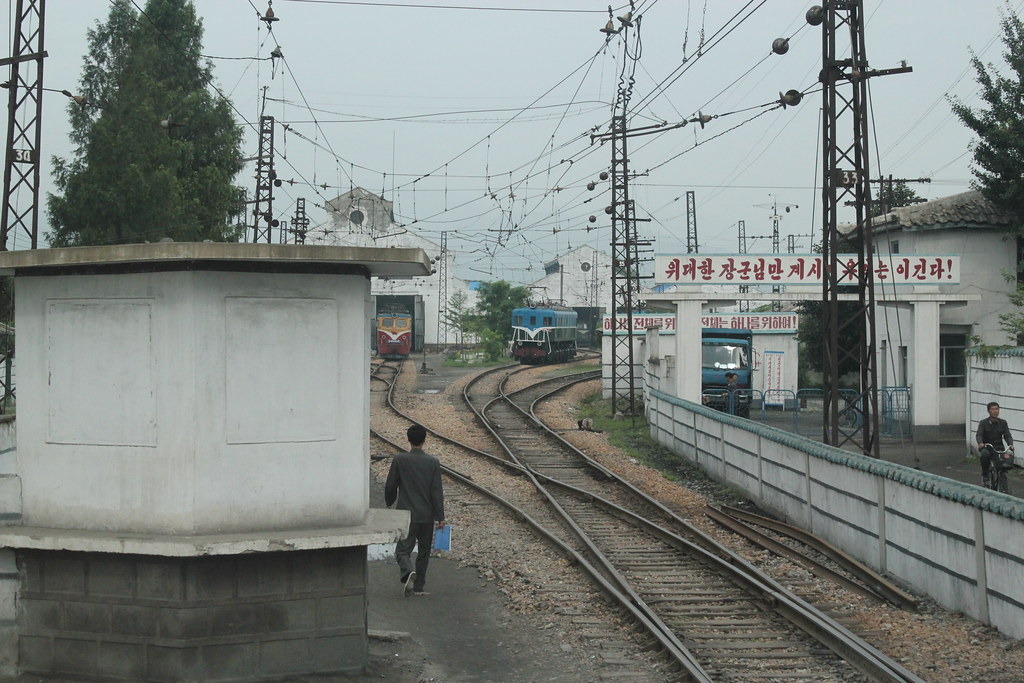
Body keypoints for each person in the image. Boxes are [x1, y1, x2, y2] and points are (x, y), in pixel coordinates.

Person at [385, 423, 446, 597]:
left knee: (402, 550)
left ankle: (407, 571)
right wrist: (440, 516)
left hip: (406, 515)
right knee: (424, 552)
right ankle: (419, 587)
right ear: (424, 440)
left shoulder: (400, 460)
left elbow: (391, 485)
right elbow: (436, 491)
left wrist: (389, 502)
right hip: (427, 516)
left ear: (408, 439)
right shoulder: (433, 463)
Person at [976, 401, 1013, 487]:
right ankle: (985, 476)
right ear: (988, 411)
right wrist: (980, 443)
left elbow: (1007, 435)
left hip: (999, 447)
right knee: (985, 455)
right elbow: (979, 434)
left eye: (997, 409)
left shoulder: (1003, 423)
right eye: (992, 409)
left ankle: (1003, 482)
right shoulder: (983, 423)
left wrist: (1010, 444)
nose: (995, 411)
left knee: (1004, 463)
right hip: (987, 447)